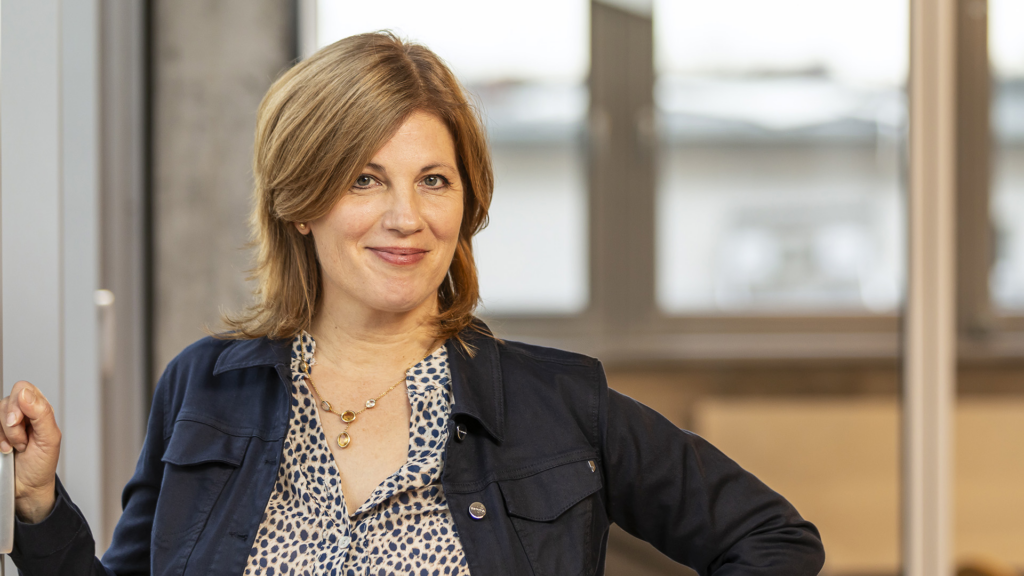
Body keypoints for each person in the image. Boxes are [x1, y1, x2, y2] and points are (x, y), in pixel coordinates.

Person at [0, 32, 825, 575]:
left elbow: (774, 541)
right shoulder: (204, 386)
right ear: (301, 202)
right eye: (365, 179)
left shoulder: (558, 406)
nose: (407, 217)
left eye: (434, 180)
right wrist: (37, 503)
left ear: (466, 200)